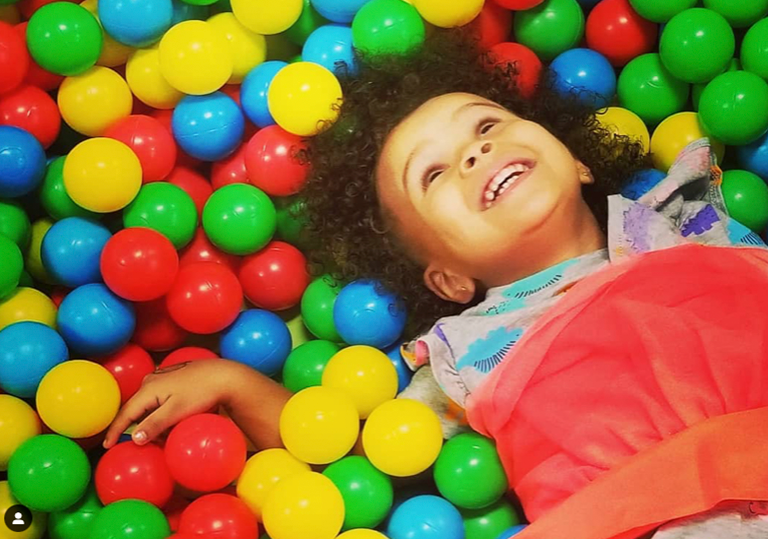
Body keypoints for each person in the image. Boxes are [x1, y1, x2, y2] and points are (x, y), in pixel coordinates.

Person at [103, 28, 768, 539]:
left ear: (575, 161)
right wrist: (233, 382)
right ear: (449, 279)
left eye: (486, 126)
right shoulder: (471, 348)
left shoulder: (690, 219)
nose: (474, 152)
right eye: (434, 174)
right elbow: (351, 444)